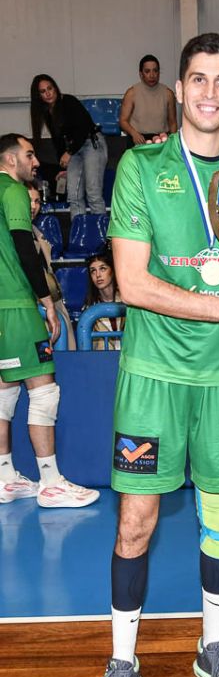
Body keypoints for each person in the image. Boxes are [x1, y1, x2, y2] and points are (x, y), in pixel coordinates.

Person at [79, 33, 219, 677]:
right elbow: (133, 284)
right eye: (198, 79)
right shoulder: (142, 167)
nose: (209, 92)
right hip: (153, 377)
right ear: (179, 90)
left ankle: (213, 648)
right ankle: (122, 662)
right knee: (134, 522)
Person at [0, 133, 100, 508]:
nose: (36, 161)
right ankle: (52, 483)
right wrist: (46, 299)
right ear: (10, 159)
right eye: (29, 155)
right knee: (44, 390)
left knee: (4, 390)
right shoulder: (12, 190)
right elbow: (24, 247)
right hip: (15, 305)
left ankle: (4, 477)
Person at [30, 74, 108, 220]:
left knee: (93, 193)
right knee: (73, 195)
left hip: (90, 143)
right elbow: (58, 141)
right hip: (73, 150)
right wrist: (64, 167)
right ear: (38, 96)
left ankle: (102, 232)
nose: (48, 93)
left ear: (55, 88)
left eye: (50, 88)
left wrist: (69, 153)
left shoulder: (68, 101)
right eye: (43, 91)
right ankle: (79, 232)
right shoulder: (47, 112)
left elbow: (83, 128)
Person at [27, 182, 76, 350]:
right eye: (29, 200)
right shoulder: (13, 236)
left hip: (53, 304)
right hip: (33, 309)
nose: (34, 206)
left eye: (37, 201)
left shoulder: (39, 235)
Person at [119, 55, 178, 148]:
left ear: (159, 73)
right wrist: (134, 134)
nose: (152, 75)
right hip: (138, 139)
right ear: (141, 74)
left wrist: (172, 143)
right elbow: (123, 121)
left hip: (161, 140)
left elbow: (173, 122)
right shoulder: (131, 93)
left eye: (155, 71)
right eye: (147, 71)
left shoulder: (168, 94)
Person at [84, 250, 124, 350]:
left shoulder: (128, 300)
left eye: (103, 269)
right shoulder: (89, 307)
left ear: (113, 271)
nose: (98, 275)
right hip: (103, 357)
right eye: (93, 271)